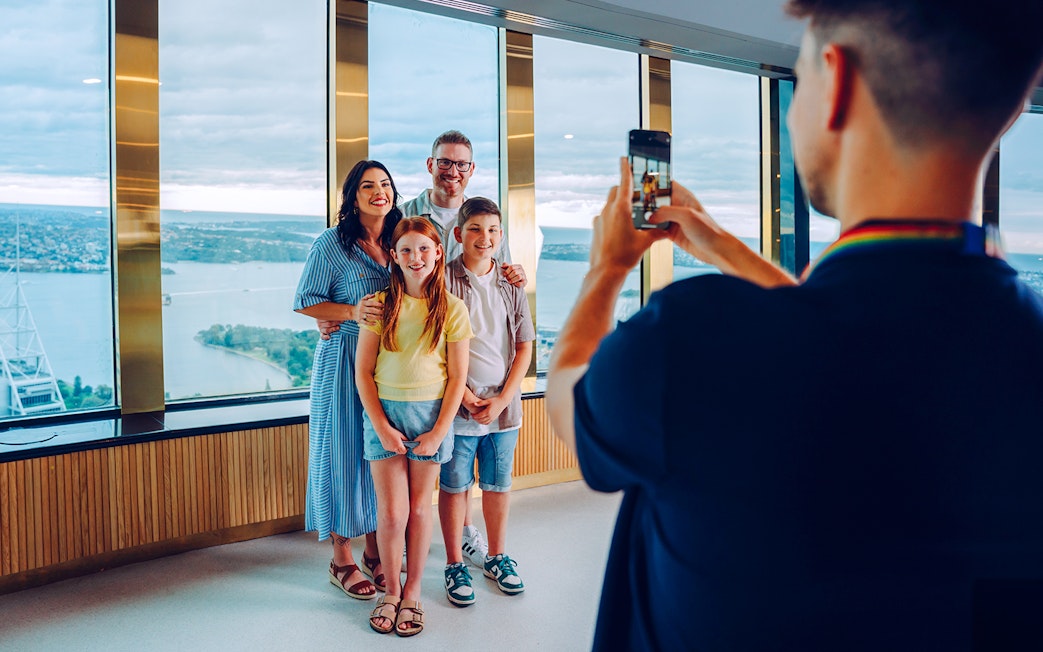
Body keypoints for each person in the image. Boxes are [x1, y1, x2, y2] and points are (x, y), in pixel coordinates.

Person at [546, 1, 1043, 650]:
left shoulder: (690, 341)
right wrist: (722, 245)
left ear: (835, 83)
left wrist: (604, 271)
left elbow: (567, 401)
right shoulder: (1018, 350)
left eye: (799, 79)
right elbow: (849, 339)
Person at [356, 217, 473, 637]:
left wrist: (440, 430)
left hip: (431, 417)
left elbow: (458, 378)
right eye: (405, 249)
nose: (415, 257)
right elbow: (363, 373)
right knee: (391, 512)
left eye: (424, 249)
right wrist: (382, 426)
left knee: (420, 509)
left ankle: (413, 594)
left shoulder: (454, 309)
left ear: (438, 252)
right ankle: (390, 591)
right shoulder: (380, 303)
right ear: (394, 256)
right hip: (384, 416)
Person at [293, 160, 402, 602]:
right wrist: (349, 313)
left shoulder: (399, 239)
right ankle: (342, 557)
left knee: (376, 454)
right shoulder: (331, 244)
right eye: (368, 185)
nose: (380, 191)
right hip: (342, 362)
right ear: (352, 197)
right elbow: (306, 302)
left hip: (388, 366)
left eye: (386, 184)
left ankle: (375, 548)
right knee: (341, 454)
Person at [438, 197, 534, 607]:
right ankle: (454, 563)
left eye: (493, 230)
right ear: (458, 235)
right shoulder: (442, 281)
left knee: (498, 485)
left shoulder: (511, 284)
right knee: (455, 486)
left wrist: (501, 400)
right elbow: (434, 346)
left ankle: (497, 556)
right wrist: (467, 396)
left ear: (501, 237)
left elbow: (525, 346)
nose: (485, 237)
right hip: (458, 406)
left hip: (503, 409)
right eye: (475, 229)